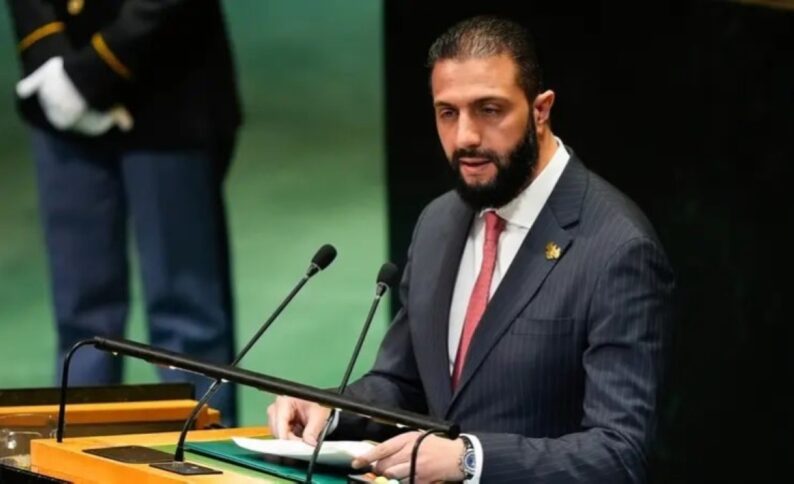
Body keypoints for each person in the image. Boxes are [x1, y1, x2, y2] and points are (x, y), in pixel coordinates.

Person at [267, 15, 675, 482]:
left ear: (540, 110)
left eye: (489, 110)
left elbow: (618, 453)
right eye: (448, 113)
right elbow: (404, 383)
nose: (465, 137)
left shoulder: (618, 248)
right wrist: (331, 409)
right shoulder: (439, 222)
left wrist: (470, 460)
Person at [6, 0, 241, 425]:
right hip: (60, 98)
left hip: (168, 88)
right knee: (81, 324)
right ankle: (76, 452)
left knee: (186, 319)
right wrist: (50, 59)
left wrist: (89, 73)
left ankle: (200, 455)